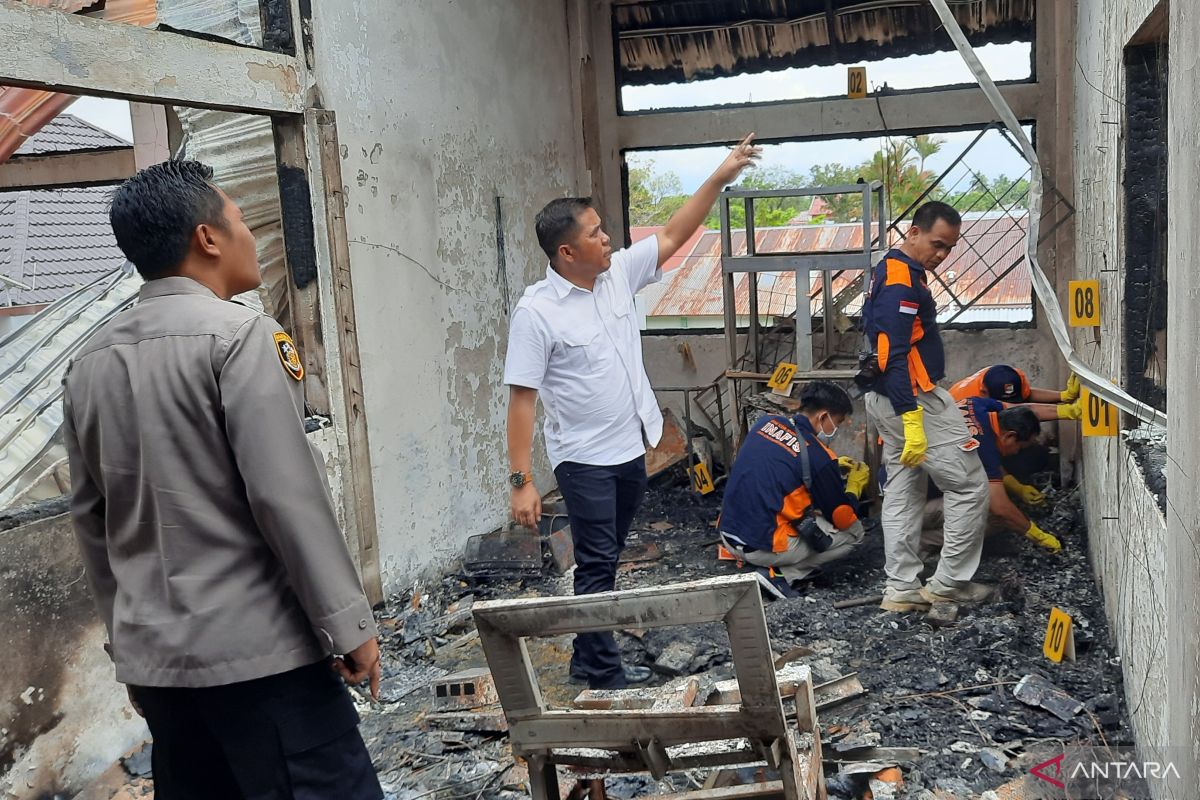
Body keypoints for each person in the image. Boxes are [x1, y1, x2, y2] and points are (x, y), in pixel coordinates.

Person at [63, 161, 383, 799]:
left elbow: (92, 522)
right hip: (263, 664)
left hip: (162, 673)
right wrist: (350, 627)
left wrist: (131, 652)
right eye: (240, 221)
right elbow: (285, 498)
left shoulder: (88, 362)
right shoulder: (241, 337)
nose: (252, 238)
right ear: (208, 239)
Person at [504, 135, 761, 689]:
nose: (608, 238)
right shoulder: (537, 313)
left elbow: (672, 232)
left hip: (631, 448)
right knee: (597, 564)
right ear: (566, 253)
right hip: (584, 459)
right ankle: (602, 672)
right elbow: (521, 398)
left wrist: (721, 176)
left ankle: (583, 649)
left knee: (608, 557)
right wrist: (522, 481)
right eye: (595, 233)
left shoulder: (616, 273)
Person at [861, 201, 992, 612]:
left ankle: (901, 590)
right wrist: (912, 416)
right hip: (912, 398)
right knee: (969, 485)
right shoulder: (901, 283)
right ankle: (948, 584)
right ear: (912, 233)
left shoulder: (895, 270)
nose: (941, 255)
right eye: (937, 244)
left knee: (903, 488)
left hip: (888, 398)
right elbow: (891, 355)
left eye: (949, 248)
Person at [717, 382, 870, 595]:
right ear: (823, 417)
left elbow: (777, 469)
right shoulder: (819, 458)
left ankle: (767, 561)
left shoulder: (766, 423)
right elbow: (843, 518)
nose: (837, 429)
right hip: (757, 547)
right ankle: (781, 575)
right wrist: (853, 487)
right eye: (838, 422)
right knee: (856, 535)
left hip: (728, 533)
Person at [921, 399, 1064, 553]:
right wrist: (1039, 536)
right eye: (1020, 447)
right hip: (909, 505)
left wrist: (1016, 487)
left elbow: (1020, 408)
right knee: (992, 516)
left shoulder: (976, 405)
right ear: (1010, 436)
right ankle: (914, 545)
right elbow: (1001, 509)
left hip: (900, 481)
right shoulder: (984, 448)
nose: (1017, 452)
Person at [950, 363, 1082, 416]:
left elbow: (1027, 395)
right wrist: (1068, 412)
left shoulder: (1008, 375)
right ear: (984, 392)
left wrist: (1064, 396)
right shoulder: (969, 403)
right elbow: (1021, 411)